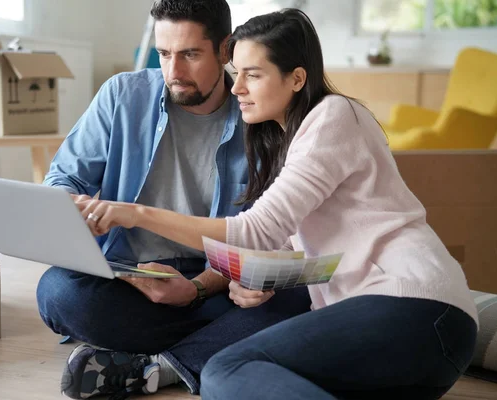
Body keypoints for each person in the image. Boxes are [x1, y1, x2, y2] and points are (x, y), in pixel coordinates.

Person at [82, 8, 479, 400]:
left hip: (419, 308)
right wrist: (259, 278)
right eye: (237, 74)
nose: (236, 88)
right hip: (396, 340)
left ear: (296, 78)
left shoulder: (334, 115)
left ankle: (158, 367)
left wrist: (135, 214)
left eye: (253, 75)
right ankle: (160, 365)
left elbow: (254, 230)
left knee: (227, 370)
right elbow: (290, 244)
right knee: (231, 370)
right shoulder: (286, 140)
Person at [37, 1, 313, 399]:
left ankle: (155, 367)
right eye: (164, 54)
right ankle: (217, 348)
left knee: (298, 295)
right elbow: (63, 177)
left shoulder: (261, 116)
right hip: (131, 276)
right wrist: (74, 211)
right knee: (59, 292)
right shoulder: (122, 95)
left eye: (190, 55)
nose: (174, 72)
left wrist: (200, 287)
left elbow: (270, 235)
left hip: (217, 280)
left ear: (225, 50)